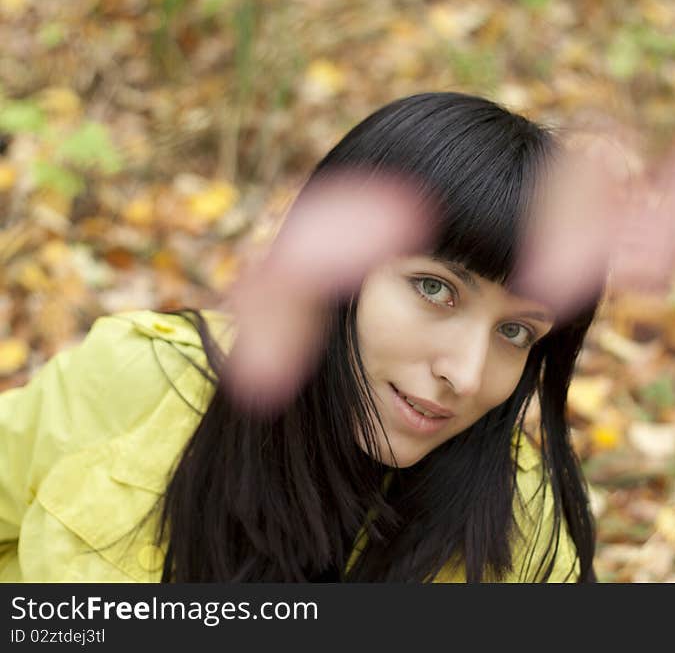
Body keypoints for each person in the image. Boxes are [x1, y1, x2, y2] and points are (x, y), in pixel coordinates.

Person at [0, 92, 602, 583]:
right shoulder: (138, 385)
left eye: (517, 330)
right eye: (435, 289)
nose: (465, 374)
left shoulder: (521, 536)